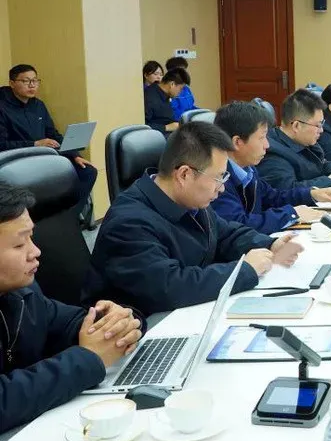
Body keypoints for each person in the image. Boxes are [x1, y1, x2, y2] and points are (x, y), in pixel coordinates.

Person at [83, 122, 303, 317]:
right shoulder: (129, 223)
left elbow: (225, 233)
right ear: (184, 174)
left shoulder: (189, 200)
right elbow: (170, 287)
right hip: (144, 329)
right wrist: (245, 270)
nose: (222, 188)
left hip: (185, 313)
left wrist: (269, 244)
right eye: (219, 177)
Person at [0, 182, 142, 434]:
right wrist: (88, 359)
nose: (35, 251)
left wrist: (117, 322)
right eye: (20, 245)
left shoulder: (21, 294)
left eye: (31, 238)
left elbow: (69, 322)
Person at [212, 101, 331, 234]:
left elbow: (273, 197)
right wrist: (291, 214)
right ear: (237, 142)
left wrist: (311, 194)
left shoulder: (248, 169)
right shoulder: (217, 180)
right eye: (261, 138)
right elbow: (239, 225)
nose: (267, 145)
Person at [0, 65, 99, 216]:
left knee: (87, 171)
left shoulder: (38, 105)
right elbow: (2, 145)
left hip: (45, 157)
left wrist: (74, 155)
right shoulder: (2, 107)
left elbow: (53, 134)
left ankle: (70, 216)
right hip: (19, 163)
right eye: (26, 81)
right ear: (12, 83)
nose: (32, 85)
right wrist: (35, 144)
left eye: (35, 80)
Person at [257, 90, 331, 191]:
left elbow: (322, 164)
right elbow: (288, 191)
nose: (321, 130)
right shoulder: (273, 153)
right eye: (317, 125)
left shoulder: (304, 140)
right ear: (296, 126)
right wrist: (330, 181)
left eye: (322, 124)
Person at [144, 67, 190, 134]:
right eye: (181, 89)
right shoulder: (149, 97)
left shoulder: (166, 94)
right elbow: (142, 125)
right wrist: (166, 127)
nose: (180, 92)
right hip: (157, 136)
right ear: (172, 84)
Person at [165, 57, 199, 121]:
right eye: (182, 71)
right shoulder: (169, 90)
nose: (185, 74)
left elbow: (191, 107)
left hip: (189, 120)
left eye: (185, 71)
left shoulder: (186, 88)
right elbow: (173, 113)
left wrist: (203, 112)